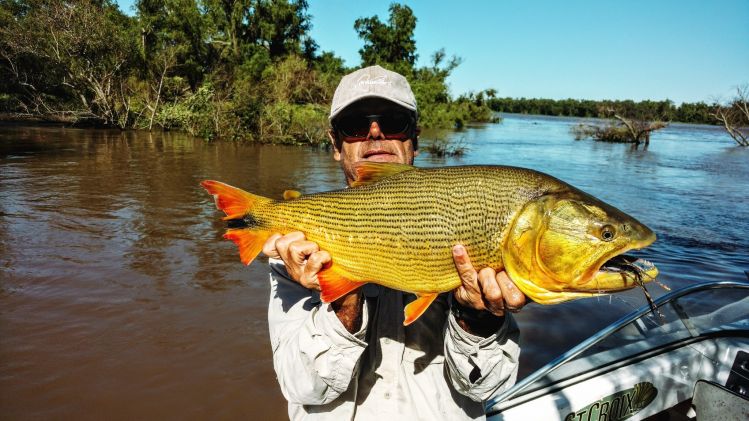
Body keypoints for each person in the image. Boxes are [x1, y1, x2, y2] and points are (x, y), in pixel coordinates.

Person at [261, 65, 526, 420]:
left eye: (393, 121)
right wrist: (343, 293)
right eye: (356, 123)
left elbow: (490, 389)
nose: (374, 133)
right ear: (336, 144)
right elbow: (302, 387)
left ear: (414, 139)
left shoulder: (469, 227)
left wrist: (476, 317)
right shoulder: (297, 250)